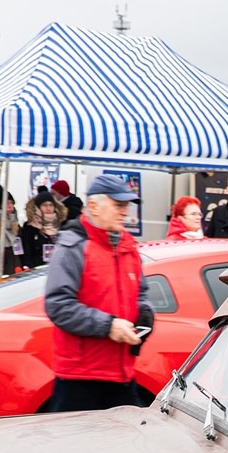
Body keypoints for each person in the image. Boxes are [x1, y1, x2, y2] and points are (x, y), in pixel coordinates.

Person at [42, 173, 154, 412]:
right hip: (80, 379)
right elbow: (58, 305)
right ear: (93, 206)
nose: (125, 212)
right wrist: (109, 326)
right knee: (76, 447)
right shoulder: (73, 247)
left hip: (122, 373)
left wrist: (145, 313)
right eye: (118, 205)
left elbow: (140, 293)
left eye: (126, 206)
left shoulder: (128, 246)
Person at [21, 190, 66, 267]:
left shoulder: (61, 224)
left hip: (57, 268)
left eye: (51, 205)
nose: (48, 208)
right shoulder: (29, 227)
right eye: (44, 205)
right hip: (35, 270)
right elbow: (26, 251)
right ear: (38, 207)